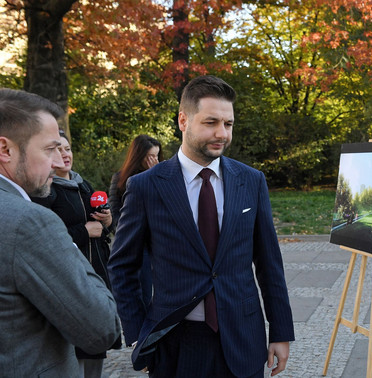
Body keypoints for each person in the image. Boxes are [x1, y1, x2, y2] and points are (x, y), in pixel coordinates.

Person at [108, 75, 294, 377]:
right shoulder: (146, 186)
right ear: (184, 120)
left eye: (228, 124)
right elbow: (122, 266)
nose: (222, 133)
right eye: (210, 123)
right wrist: (137, 335)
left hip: (243, 337)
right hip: (174, 343)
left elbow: (269, 262)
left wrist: (281, 331)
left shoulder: (251, 180)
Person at [0, 88, 121, 376]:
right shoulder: (29, 222)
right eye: (49, 149)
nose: (58, 162)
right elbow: (102, 328)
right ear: (6, 150)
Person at [32, 131, 121, 378]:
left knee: (95, 351)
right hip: (70, 278)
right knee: (76, 353)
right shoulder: (45, 192)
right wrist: (83, 231)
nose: (65, 154)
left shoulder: (82, 184)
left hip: (96, 274)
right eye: (57, 149)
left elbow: (101, 229)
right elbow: (44, 239)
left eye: (68, 149)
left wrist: (107, 220)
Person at [109, 134, 162, 305]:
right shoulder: (120, 178)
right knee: (141, 292)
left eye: (157, 155)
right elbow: (114, 210)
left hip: (159, 240)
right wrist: (127, 230)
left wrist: (157, 175)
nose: (154, 160)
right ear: (139, 156)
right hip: (135, 241)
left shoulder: (162, 176)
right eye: (150, 156)